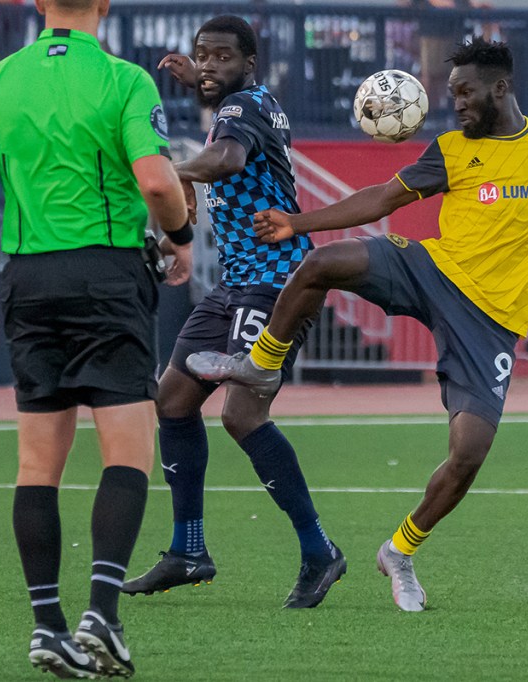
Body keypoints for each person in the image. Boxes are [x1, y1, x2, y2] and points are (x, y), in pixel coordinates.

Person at [186, 37, 528, 612]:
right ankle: (260, 365)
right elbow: (381, 198)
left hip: (491, 320)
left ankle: (400, 549)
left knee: (469, 452)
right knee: (322, 262)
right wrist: (297, 223)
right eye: (451, 94)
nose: (456, 104)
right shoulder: (452, 150)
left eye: (465, 92)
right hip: (432, 269)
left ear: (501, 88)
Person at [0, 0, 191, 676]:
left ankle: (46, 625)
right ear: (104, 5)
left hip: (27, 279)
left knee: (36, 465)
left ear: (36, 4)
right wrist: (181, 237)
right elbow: (156, 180)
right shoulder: (124, 79)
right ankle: (102, 614)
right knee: (127, 454)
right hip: (108, 275)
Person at [120, 15, 346, 609]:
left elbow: (223, 158)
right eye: (204, 55)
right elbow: (220, 137)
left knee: (243, 413)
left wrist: (165, 171)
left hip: (279, 283)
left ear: (250, 63)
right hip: (236, 285)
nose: (211, 64)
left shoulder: (244, 109)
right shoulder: (239, 102)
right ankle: (187, 550)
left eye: (224, 56)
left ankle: (319, 550)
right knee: (172, 399)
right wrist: (199, 84)